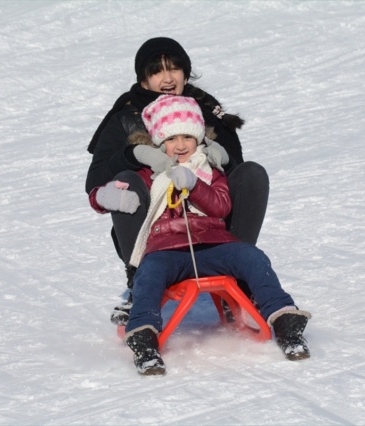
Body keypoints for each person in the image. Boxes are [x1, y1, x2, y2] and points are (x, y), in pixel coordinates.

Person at [90, 95, 311, 375]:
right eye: (171, 139)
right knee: (149, 273)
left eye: (187, 137)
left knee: (252, 257)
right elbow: (107, 194)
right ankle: (143, 334)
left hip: (214, 245)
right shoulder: (150, 173)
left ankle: (283, 318)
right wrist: (104, 196)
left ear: (199, 139)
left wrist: (195, 185)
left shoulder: (209, 170)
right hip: (166, 249)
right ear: (159, 143)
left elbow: (222, 205)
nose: (180, 145)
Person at [85, 37, 269, 325]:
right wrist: (133, 154)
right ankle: (141, 282)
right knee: (125, 180)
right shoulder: (124, 119)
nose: (168, 78)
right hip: (155, 229)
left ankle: (241, 275)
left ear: (186, 73)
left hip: (211, 221)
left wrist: (213, 154)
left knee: (252, 173)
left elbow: (236, 173)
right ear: (144, 80)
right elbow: (95, 183)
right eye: (157, 71)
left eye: (174, 69)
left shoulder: (205, 110)